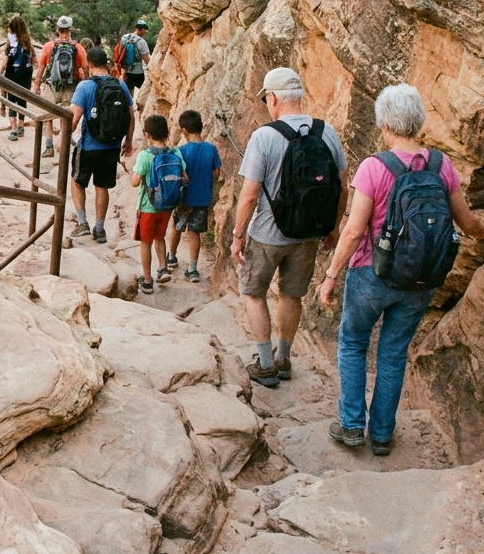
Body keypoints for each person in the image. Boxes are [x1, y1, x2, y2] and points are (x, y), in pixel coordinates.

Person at [318, 84, 484, 456]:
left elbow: (352, 231)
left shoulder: (374, 167)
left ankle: (351, 425)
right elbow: (466, 221)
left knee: (352, 343)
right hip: (420, 278)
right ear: (418, 123)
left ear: (384, 124)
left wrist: (331, 276)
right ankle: (382, 434)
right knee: (394, 353)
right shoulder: (441, 165)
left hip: (371, 272)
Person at [231, 67, 347, 388]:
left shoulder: (264, 136)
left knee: (254, 294)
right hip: (309, 234)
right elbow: (343, 186)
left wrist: (238, 236)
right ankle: (284, 359)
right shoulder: (327, 132)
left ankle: (265, 366)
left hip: (267, 234)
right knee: (291, 295)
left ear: (273, 98)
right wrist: (333, 229)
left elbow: (250, 194)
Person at [69, 47, 132, 243]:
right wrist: (128, 141)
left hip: (89, 145)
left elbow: (73, 118)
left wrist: (66, 135)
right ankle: (100, 229)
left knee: (77, 181)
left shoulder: (84, 86)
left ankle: (82, 224)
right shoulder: (120, 85)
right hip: (112, 146)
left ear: (90, 64)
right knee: (101, 186)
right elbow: (131, 115)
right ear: (106, 63)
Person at [130, 114, 184, 293]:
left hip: (148, 206)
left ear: (147, 135)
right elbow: (185, 178)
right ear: (167, 132)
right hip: (168, 205)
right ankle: (162, 268)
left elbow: (135, 182)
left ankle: (147, 280)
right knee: (159, 237)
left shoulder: (145, 156)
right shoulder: (175, 153)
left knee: (145, 242)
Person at [166, 110, 221, 283]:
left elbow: (176, 174)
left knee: (176, 227)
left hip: (184, 199)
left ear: (184, 130)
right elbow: (216, 172)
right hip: (202, 199)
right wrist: (206, 182)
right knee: (194, 232)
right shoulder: (211, 149)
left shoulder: (181, 151)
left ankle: (172, 257)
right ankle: (192, 269)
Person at [34, 16, 88, 158]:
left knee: (48, 117)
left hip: (51, 85)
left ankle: (49, 146)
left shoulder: (48, 46)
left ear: (57, 29)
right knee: (65, 116)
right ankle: (64, 144)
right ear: (69, 30)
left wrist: (36, 85)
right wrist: (86, 83)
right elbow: (85, 67)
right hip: (70, 86)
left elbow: (41, 67)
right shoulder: (77, 47)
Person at [1, 16, 35, 141]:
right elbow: (32, 59)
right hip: (25, 75)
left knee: (11, 101)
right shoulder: (27, 41)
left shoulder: (11, 40)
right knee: (22, 100)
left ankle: (13, 130)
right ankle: (21, 126)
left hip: (11, 74)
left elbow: (6, 58)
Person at [116, 20, 152, 100]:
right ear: (141, 29)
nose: (145, 32)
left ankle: (129, 108)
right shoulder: (141, 41)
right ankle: (142, 106)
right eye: (145, 30)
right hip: (137, 72)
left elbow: (119, 52)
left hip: (126, 71)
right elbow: (147, 59)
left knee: (129, 93)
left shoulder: (124, 38)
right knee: (146, 91)